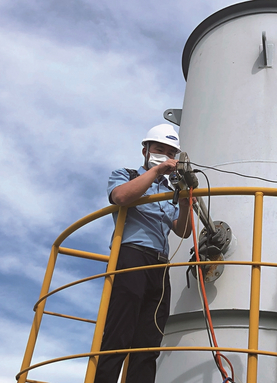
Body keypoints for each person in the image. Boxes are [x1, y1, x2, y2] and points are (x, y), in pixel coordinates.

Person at [95, 124, 194, 383]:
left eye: (170, 152)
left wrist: (184, 203)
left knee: (149, 341)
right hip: (131, 256)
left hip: (159, 266)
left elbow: (182, 231)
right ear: (145, 150)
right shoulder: (126, 175)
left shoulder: (169, 192)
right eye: (159, 149)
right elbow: (121, 197)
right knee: (119, 333)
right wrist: (157, 170)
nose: (165, 155)